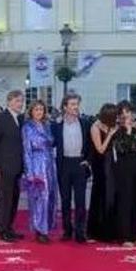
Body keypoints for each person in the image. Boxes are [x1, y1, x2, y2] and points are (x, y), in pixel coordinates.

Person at [51, 94, 93, 243]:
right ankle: (67, 230)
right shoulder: (56, 126)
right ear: (65, 107)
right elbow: (51, 144)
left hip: (80, 164)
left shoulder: (85, 123)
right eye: (72, 104)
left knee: (81, 201)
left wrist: (88, 161)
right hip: (64, 165)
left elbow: (91, 145)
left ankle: (80, 231)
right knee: (66, 200)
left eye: (77, 104)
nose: (76, 107)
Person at [110, 101, 136, 247]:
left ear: (132, 112)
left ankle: (135, 234)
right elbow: (123, 148)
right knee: (125, 201)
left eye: (127, 112)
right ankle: (124, 236)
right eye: (122, 113)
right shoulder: (116, 131)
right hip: (123, 168)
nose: (125, 116)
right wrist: (128, 130)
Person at [0, 90, 26, 243]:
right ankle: (2, 231)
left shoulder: (21, 119)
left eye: (22, 101)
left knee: (14, 199)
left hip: (17, 167)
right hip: (3, 167)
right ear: (9, 101)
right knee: (5, 200)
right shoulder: (0, 118)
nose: (20, 104)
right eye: (17, 101)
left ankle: (9, 228)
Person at [20, 100, 56, 244]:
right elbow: (27, 151)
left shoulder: (47, 126)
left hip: (49, 165)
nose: (39, 112)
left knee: (50, 197)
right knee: (40, 197)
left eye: (41, 109)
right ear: (31, 111)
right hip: (36, 165)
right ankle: (40, 230)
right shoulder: (27, 128)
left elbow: (52, 143)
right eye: (36, 109)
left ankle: (46, 228)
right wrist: (30, 173)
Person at [85, 104, 120, 243]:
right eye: (114, 115)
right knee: (102, 196)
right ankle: (96, 232)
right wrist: (110, 135)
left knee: (113, 196)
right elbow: (100, 149)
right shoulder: (95, 127)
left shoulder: (114, 125)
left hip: (114, 162)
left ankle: (112, 231)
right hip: (101, 163)